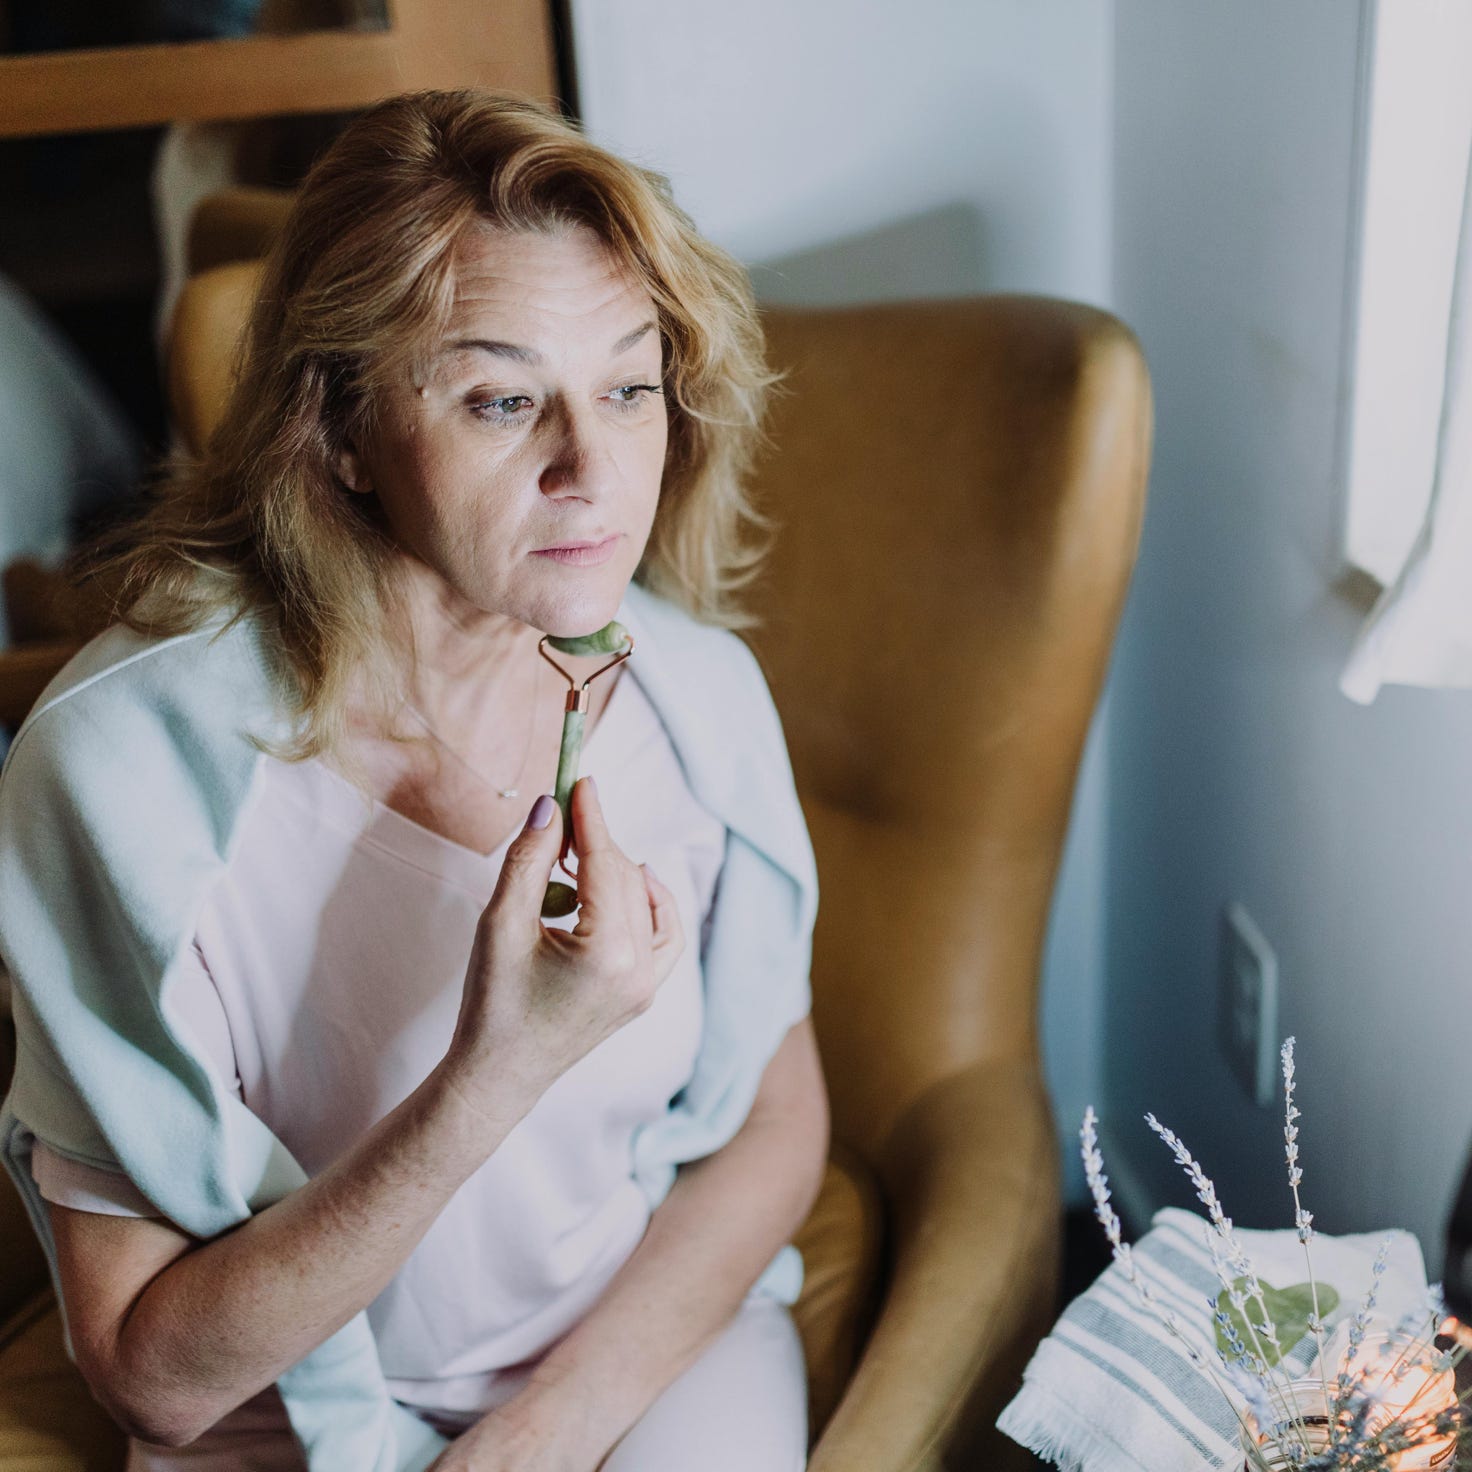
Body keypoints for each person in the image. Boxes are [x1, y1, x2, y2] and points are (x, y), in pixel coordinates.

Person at [0, 88, 827, 1471]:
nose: (592, 469)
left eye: (628, 387)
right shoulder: (115, 777)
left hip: (632, 1350)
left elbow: (779, 1124)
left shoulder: (696, 697)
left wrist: (548, 1432)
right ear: (337, 429)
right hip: (277, 1416)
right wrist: (495, 1069)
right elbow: (157, 1380)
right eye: (504, 399)